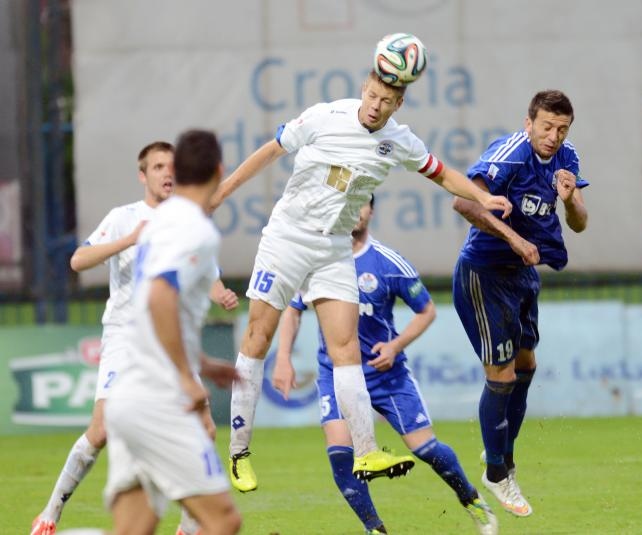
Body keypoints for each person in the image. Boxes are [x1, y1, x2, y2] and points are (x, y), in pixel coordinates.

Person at [210, 68, 512, 492]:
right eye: (371, 96)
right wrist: (223, 192)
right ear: (362, 90)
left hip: (334, 248)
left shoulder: (400, 141)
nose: (375, 106)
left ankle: (366, 449)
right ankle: (240, 452)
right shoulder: (326, 116)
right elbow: (272, 150)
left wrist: (482, 196)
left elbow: (442, 173)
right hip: (288, 238)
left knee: (346, 348)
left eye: (385, 101)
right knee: (258, 338)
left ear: (398, 104)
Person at [31, 142, 238, 535]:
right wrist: (130, 240)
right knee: (102, 430)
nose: (166, 173)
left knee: (205, 428)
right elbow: (78, 260)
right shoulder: (124, 218)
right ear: (143, 176)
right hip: (126, 336)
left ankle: (188, 526)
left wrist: (222, 294)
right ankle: (50, 512)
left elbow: (206, 276)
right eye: (157, 166)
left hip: (170, 340)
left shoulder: (187, 223)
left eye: (172, 166)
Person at [272, 197, 498, 535]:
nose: (355, 211)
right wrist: (282, 358)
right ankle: (375, 529)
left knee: (426, 449)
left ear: (371, 211)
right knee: (340, 455)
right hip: (334, 374)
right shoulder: (317, 261)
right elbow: (292, 310)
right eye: (350, 204)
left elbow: (427, 311)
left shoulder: (388, 263)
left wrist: (395, 345)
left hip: (385, 375)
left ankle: (471, 499)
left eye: (362, 204)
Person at [451, 90, 589, 517]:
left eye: (561, 129)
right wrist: (513, 238)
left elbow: (580, 225)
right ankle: (497, 471)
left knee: (526, 366)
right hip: (484, 274)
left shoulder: (567, 158)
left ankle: (502, 457)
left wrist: (570, 200)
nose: (553, 136)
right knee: (502, 373)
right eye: (546, 126)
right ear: (529, 123)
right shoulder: (510, 153)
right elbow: (463, 202)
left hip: (523, 275)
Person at [103, 129, 241, 535]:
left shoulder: (160, 220)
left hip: (127, 394)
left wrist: (202, 362)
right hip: (160, 399)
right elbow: (161, 297)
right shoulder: (195, 229)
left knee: (136, 527)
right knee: (223, 520)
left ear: (178, 172)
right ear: (219, 170)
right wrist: (186, 376)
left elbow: (153, 309)